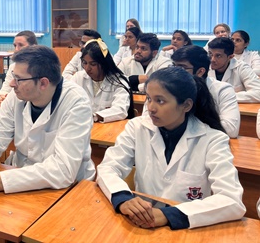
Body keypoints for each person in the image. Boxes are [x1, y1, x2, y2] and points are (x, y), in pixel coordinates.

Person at [97, 67, 245, 230]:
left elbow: (232, 200)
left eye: (160, 101)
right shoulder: (137, 127)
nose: (151, 108)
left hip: (185, 228)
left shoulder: (213, 140)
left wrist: (169, 215)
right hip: (140, 222)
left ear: (186, 105)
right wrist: (122, 198)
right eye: (149, 99)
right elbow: (108, 167)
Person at [0, 45, 95, 197]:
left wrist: (1, 181)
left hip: (67, 188)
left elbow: (63, 170)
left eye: (18, 79)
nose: (12, 84)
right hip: (20, 177)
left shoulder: (76, 102)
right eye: (13, 76)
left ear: (43, 83)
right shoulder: (16, 96)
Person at [167, 45, 240, 138]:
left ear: (200, 71)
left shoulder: (222, 89)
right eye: (173, 66)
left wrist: (182, 124)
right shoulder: (168, 88)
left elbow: (231, 130)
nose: (175, 72)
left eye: (182, 68)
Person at [72, 39, 134, 122]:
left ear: (104, 63)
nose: (87, 68)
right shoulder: (78, 77)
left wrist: (94, 116)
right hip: (80, 124)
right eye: (85, 63)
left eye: (93, 64)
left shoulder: (118, 81)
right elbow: (68, 101)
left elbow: (120, 109)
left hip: (108, 128)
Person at [207, 37, 260, 103]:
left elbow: (258, 93)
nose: (212, 59)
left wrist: (225, 97)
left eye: (218, 56)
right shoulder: (203, 67)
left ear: (230, 57)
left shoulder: (241, 67)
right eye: (210, 54)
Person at [0, 30, 38, 110]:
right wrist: (1, 99)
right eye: (15, 46)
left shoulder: (40, 67)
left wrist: (8, 101)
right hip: (12, 108)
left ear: (33, 47)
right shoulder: (13, 67)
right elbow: (5, 88)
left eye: (21, 45)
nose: (16, 50)